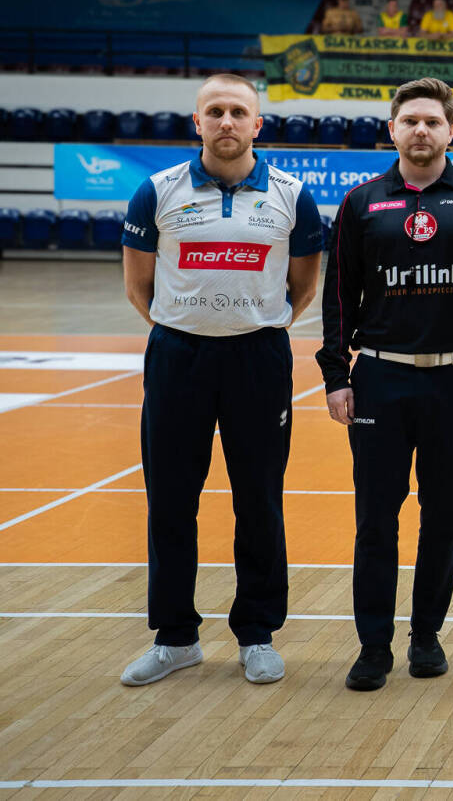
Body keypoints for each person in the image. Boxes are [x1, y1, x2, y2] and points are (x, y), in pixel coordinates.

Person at [317, 77, 453, 692]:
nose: (421, 131)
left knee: (443, 517)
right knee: (376, 520)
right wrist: (336, 375)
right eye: (410, 121)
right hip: (379, 378)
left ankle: (426, 635)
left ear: (451, 131)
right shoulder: (361, 203)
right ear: (392, 129)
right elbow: (337, 297)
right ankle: (373, 645)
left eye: (432, 121)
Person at [118, 73, 323, 686]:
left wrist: (253, 324)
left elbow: (303, 286)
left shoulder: (292, 196)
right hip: (177, 357)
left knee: (258, 498)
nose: (226, 121)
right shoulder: (157, 191)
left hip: (258, 358)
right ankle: (175, 637)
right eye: (215, 111)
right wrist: (187, 327)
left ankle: (256, 633)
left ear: (257, 124)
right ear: (198, 121)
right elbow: (138, 285)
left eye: (238, 111)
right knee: (170, 500)